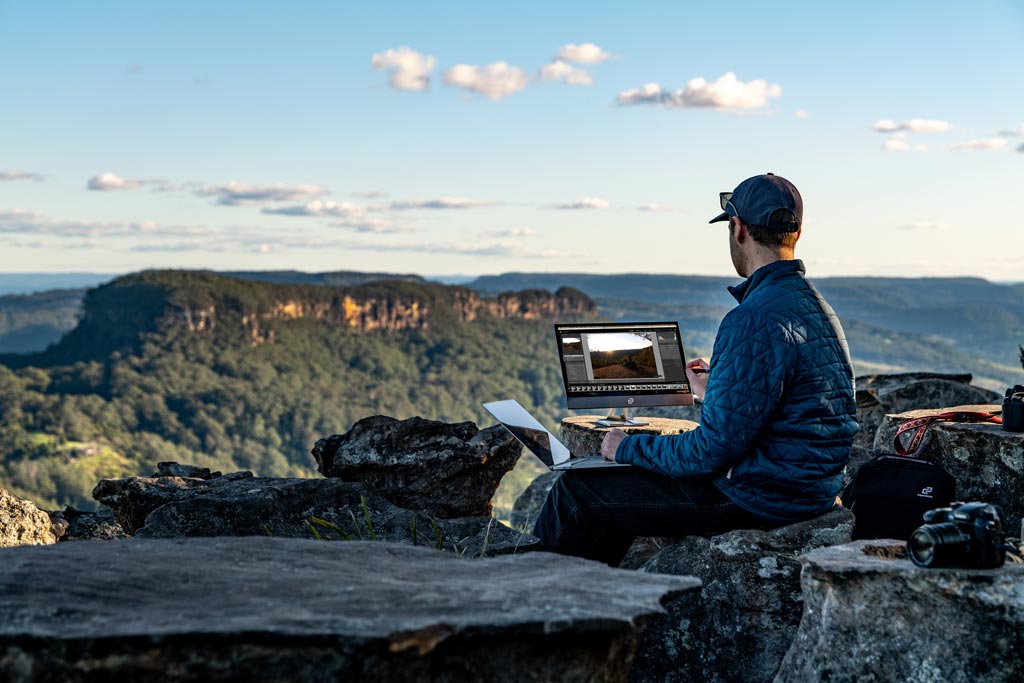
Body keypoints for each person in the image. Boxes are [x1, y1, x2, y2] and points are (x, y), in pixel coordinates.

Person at [532, 173, 859, 566]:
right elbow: (797, 404)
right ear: (797, 233)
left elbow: (709, 452)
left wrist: (627, 446)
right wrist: (717, 387)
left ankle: (538, 604)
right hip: (807, 488)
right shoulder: (816, 306)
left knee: (578, 490)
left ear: (737, 229)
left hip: (759, 496)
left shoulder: (752, 318)